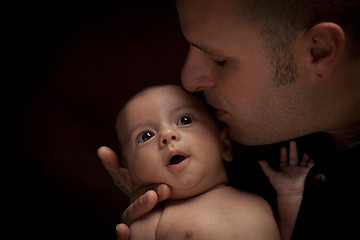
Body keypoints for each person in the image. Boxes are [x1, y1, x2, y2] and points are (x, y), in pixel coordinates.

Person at [98, 0, 360, 239]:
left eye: (219, 59)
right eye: (146, 136)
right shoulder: (239, 135)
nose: (188, 80)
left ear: (320, 50)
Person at [101, 84, 314, 239]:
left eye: (184, 120)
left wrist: (290, 195)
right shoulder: (153, 220)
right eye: (145, 136)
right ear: (129, 176)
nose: (167, 134)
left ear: (226, 146)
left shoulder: (257, 199)